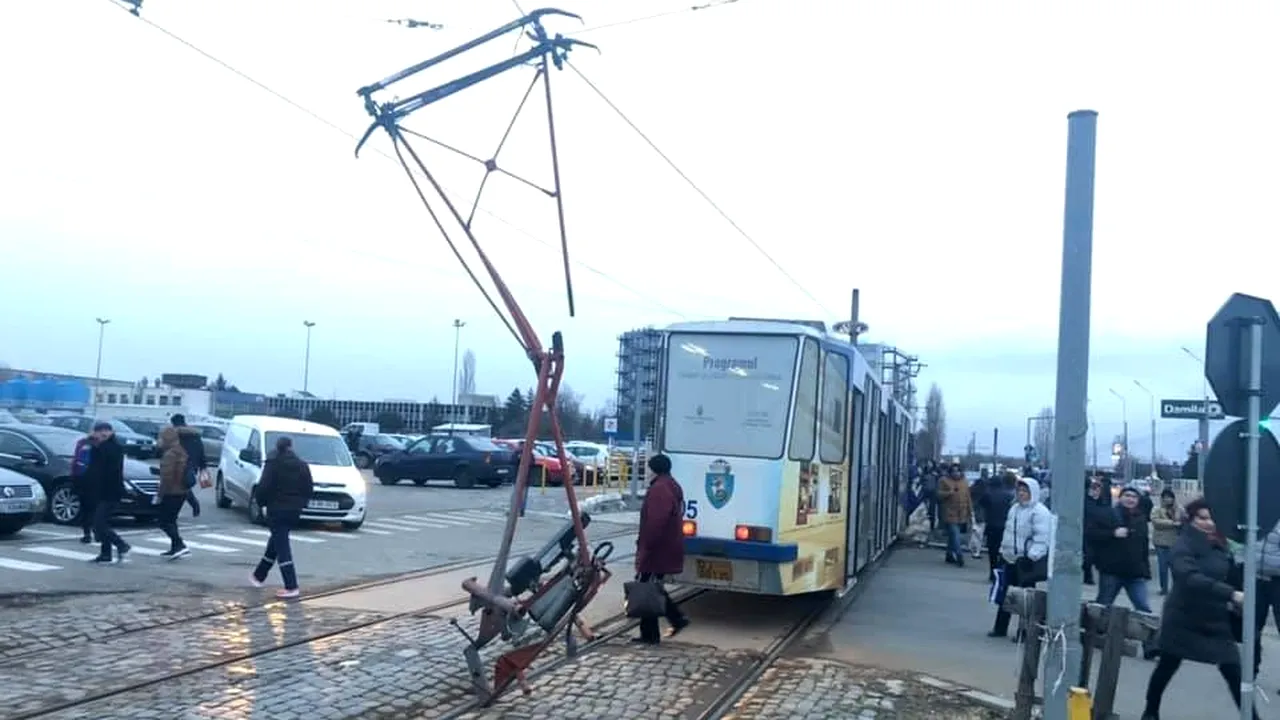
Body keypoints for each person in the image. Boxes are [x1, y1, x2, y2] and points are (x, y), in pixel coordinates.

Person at [1142, 498, 1257, 720]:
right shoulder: (1183, 544)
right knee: (1167, 665)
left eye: (1212, 518)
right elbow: (1188, 577)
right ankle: (1150, 711)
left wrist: (1239, 597)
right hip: (1183, 617)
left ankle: (1252, 717)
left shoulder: (1222, 545)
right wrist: (1230, 594)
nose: (1209, 523)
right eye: (1202, 518)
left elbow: (1232, 575)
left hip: (1215, 620)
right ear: (1191, 519)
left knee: (1233, 670)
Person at [633, 452, 690, 644]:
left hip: (656, 550)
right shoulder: (670, 485)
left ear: (654, 469)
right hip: (664, 548)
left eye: (648, 468)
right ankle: (675, 620)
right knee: (653, 588)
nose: (647, 472)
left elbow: (656, 522)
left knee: (646, 589)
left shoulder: (659, 489)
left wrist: (646, 546)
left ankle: (650, 634)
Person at [989, 476, 1053, 639]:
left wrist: (1032, 556)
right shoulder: (1014, 509)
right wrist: (1003, 552)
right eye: (1019, 490)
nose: (1021, 494)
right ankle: (1000, 628)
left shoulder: (1039, 512)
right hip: (1009, 558)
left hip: (1026, 562)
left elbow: (1042, 538)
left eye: (1025, 491)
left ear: (1033, 492)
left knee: (1026, 599)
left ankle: (1024, 632)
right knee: (1006, 595)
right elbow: (1008, 533)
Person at [250, 436, 314, 598]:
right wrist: (301, 503)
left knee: (282, 546)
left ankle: (291, 585)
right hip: (294, 510)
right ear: (291, 447)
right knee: (276, 542)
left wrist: (262, 502)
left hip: (277, 509)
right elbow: (309, 488)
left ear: (277, 447)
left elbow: (264, 487)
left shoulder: (273, 464)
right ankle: (259, 576)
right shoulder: (302, 465)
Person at [86, 422, 131, 564]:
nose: (102, 434)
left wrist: (93, 443)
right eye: (99, 431)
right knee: (101, 523)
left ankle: (121, 545)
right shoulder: (104, 446)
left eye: (105, 431)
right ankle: (105, 554)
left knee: (99, 523)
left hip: (109, 490)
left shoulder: (107, 448)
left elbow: (100, 471)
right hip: (104, 490)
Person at [155, 427, 191, 559]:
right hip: (181, 491)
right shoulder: (181, 451)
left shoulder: (169, 454)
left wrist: (160, 495)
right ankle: (175, 547)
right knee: (171, 520)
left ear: (166, 439)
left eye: (161, 438)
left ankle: (179, 545)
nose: (158, 441)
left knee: (163, 521)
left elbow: (166, 477)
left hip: (171, 492)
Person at [977, 472, 1017, 582]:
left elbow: (981, 505)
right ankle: (1001, 572)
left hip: (991, 525)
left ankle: (992, 572)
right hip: (1005, 526)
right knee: (1004, 551)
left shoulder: (988, 494)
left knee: (992, 551)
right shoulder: (1009, 496)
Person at [936, 464, 972, 567]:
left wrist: (970, 512)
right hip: (949, 512)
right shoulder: (944, 480)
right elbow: (938, 494)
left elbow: (968, 497)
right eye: (954, 471)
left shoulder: (964, 482)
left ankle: (949, 554)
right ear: (950, 472)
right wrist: (949, 493)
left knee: (953, 536)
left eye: (958, 471)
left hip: (962, 512)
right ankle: (959, 555)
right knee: (955, 534)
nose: (956, 473)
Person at [1150, 489, 1185, 595]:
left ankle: (1176, 589)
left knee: (1175, 567)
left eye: (1170, 497)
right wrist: (1172, 523)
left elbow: (1185, 519)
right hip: (1161, 542)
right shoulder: (1157, 509)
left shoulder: (1179, 508)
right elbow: (1155, 521)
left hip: (1175, 542)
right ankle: (1164, 588)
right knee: (1163, 567)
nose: (1167, 499)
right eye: (1165, 497)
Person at [170, 414, 205, 517]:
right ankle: (193, 505)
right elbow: (200, 450)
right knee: (182, 488)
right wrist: (202, 465)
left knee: (178, 489)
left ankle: (190, 506)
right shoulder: (194, 435)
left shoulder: (174, 435)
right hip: (191, 466)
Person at [71, 433, 97, 544]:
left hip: (84, 479)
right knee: (91, 509)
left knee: (87, 509)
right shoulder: (91, 444)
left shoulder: (83, 443)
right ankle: (91, 533)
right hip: (89, 480)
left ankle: (88, 534)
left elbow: (76, 461)